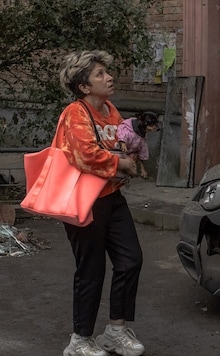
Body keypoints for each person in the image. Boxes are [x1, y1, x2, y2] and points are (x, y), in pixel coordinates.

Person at [58, 50, 145, 356]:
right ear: (83, 86)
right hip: (84, 201)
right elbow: (84, 156)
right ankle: (79, 341)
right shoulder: (75, 113)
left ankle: (115, 332)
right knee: (91, 270)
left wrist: (131, 154)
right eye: (99, 74)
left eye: (106, 72)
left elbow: (124, 140)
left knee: (130, 260)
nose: (108, 77)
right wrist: (121, 163)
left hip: (112, 197)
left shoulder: (109, 109)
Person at [116, 112, 160, 179]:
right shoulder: (127, 129)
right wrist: (122, 142)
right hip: (119, 152)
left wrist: (143, 169)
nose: (155, 126)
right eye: (151, 123)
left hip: (130, 153)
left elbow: (142, 151)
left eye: (156, 123)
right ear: (141, 120)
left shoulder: (142, 137)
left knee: (138, 153)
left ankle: (138, 170)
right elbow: (121, 133)